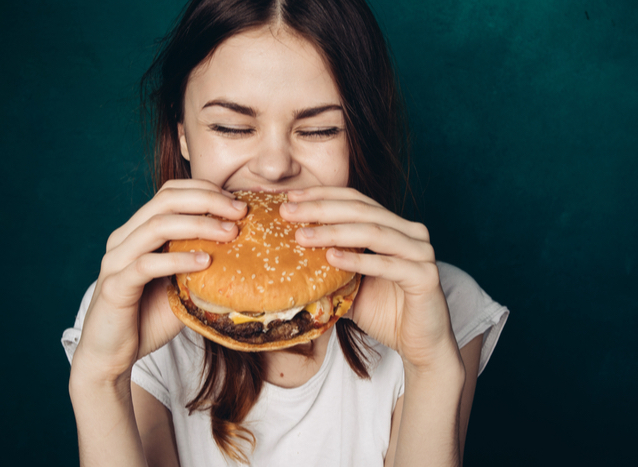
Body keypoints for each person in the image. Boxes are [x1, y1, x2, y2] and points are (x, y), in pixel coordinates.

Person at [61, 0, 509, 465]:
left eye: (319, 130)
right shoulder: (128, 308)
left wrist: (432, 368)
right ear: (182, 134)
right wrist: (99, 380)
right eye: (231, 126)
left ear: (361, 138)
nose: (274, 168)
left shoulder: (441, 302)